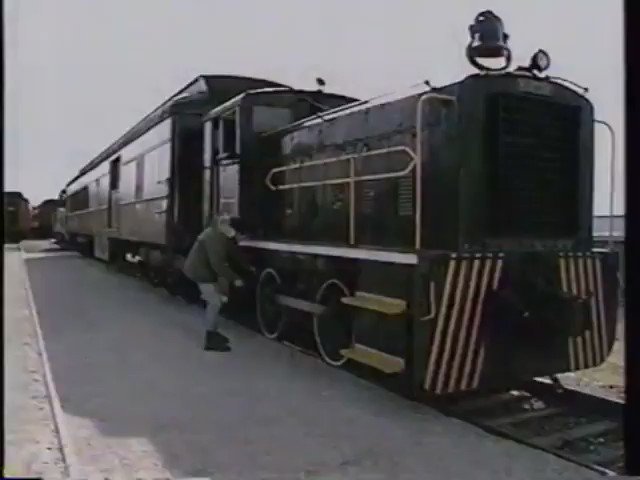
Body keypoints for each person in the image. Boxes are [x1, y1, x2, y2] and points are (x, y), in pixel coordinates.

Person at [183, 215, 253, 351]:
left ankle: (213, 332)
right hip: (200, 272)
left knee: (217, 300)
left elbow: (232, 252)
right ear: (231, 229)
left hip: (204, 271)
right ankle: (210, 340)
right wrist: (235, 278)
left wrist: (247, 266)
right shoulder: (214, 238)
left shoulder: (220, 233)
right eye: (239, 234)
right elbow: (217, 264)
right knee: (215, 302)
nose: (239, 238)